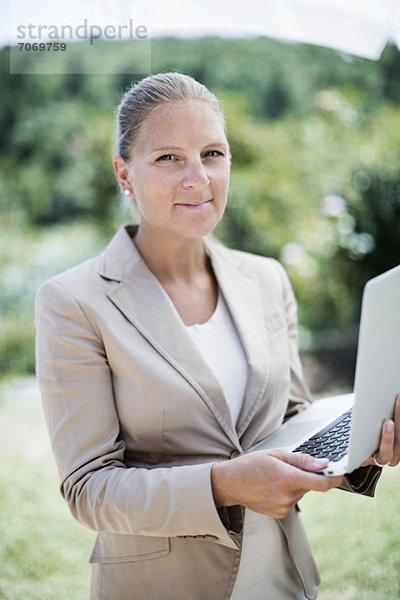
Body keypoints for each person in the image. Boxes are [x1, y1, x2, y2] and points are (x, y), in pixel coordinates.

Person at [35, 72, 400, 600]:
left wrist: (361, 443)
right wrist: (225, 484)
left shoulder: (266, 278)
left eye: (212, 154)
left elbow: (292, 419)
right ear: (124, 174)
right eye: (168, 158)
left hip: (281, 578)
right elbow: (89, 488)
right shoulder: (73, 301)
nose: (198, 178)